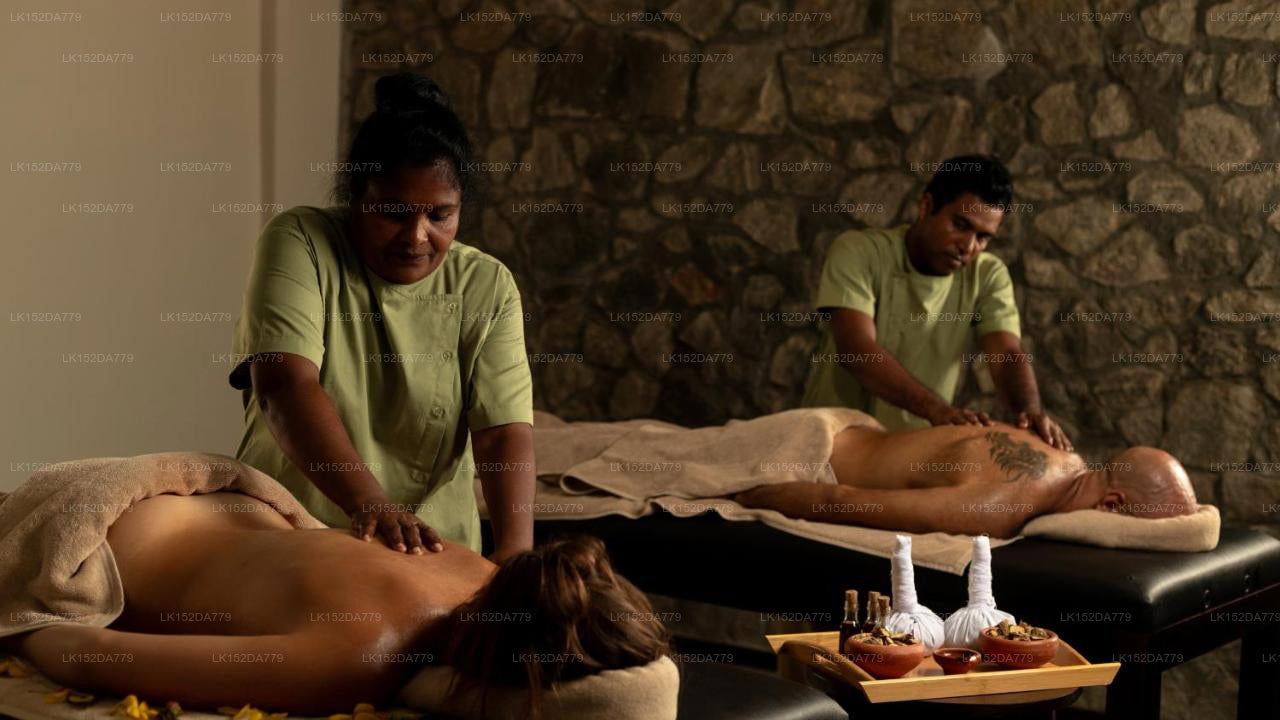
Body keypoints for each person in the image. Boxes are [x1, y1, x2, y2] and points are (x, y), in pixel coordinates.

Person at [228, 72, 534, 561]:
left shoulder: (487, 286)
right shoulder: (301, 241)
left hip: (434, 551)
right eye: (393, 213)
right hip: (291, 530)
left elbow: (501, 435)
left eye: (439, 215)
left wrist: (517, 559)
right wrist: (371, 506)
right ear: (355, 199)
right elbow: (284, 384)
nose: (416, 237)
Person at [4, 491, 669, 715]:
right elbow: (91, 654)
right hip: (93, 525)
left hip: (222, 493)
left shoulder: (488, 571)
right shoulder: (360, 653)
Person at [801, 155, 1073, 450]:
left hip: (914, 452)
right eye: (960, 224)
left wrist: (1029, 411)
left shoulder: (987, 274)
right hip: (832, 440)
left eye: (983, 237)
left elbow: (1006, 354)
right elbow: (856, 350)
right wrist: (936, 410)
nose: (968, 246)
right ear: (926, 206)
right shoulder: (859, 251)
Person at [733, 419, 1197, 538]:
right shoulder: (1002, 506)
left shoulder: (1062, 457)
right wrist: (737, 494)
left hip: (846, 432)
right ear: (1112, 505)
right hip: (802, 449)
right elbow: (841, 501)